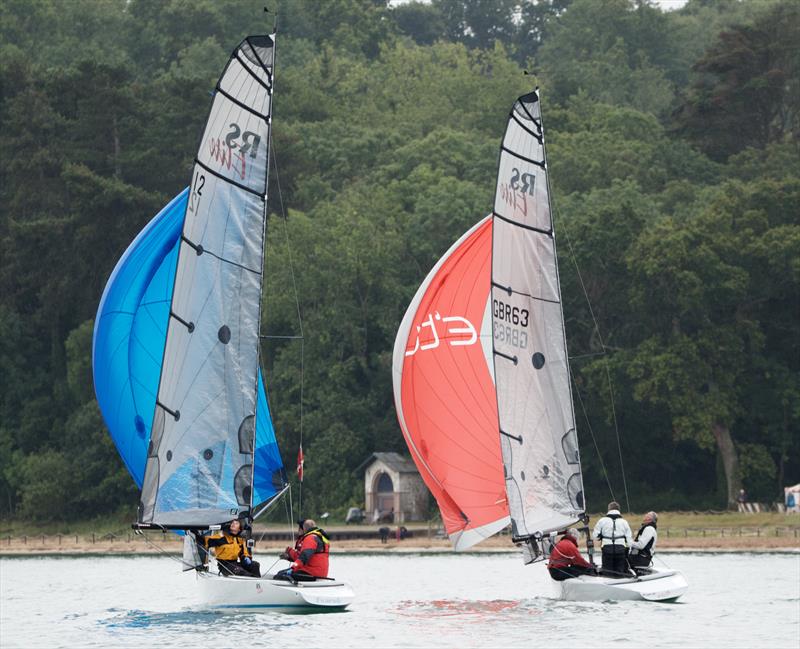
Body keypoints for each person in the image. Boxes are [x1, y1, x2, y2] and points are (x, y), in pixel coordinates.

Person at [592, 501, 633, 577]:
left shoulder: (602, 521)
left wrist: (600, 537)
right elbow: (629, 540)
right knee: (620, 572)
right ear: (619, 510)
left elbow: (595, 536)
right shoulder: (624, 522)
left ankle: (609, 585)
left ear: (609, 509)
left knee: (607, 572)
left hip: (607, 549)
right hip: (620, 550)